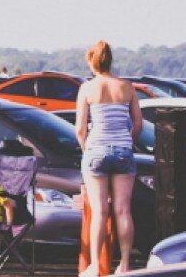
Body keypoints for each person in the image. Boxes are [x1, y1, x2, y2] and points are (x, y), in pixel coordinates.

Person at [76, 41, 141, 277]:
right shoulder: (127, 87)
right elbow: (138, 124)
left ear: (92, 62)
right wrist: (127, 142)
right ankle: (124, 265)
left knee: (100, 211)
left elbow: (80, 129)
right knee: (123, 210)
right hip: (123, 149)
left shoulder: (87, 88)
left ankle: (95, 266)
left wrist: (87, 149)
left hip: (96, 149)